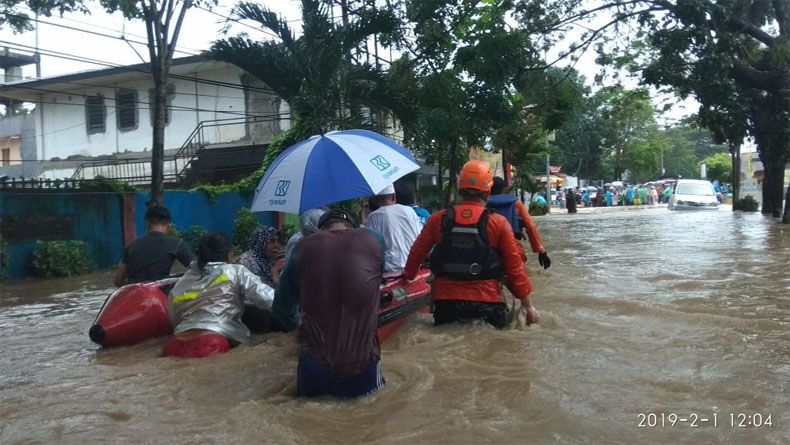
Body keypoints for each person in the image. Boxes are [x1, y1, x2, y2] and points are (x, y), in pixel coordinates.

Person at [403, 160, 537, 329]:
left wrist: (407, 275)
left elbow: (416, 254)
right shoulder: (499, 223)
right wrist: (527, 305)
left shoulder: (438, 219)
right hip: (488, 303)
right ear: (488, 192)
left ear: (460, 189)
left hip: (446, 304)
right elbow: (515, 268)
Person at [272, 209, 386, 398]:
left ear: (320, 230)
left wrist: (296, 324)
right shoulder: (374, 239)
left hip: (314, 365)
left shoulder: (303, 247)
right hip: (363, 362)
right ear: (354, 227)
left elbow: (280, 309)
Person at [164, 232, 275, 359]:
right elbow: (269, 299)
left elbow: (174, 318)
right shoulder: (236, 271)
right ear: (229, 254)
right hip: (211, 342)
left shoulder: (183, 281)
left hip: (174, 345)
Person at [114, 205, 193, 287]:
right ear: (169, 225)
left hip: (133, 293)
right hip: (158, 294)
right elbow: (200, 270)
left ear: (147, 223)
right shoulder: (177, 243)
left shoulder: (131, 245)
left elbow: (118, 280)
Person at [487, 176, 551, 269]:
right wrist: (541, 251)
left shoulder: (482, 203)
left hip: (488, 250)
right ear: (504, 189)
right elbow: (530, 226)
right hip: (512, 248)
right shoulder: (516, 203)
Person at [364, 184, 422, 274]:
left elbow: (371, 249)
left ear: (375, 200)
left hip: (390, 271)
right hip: (414, 267)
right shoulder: (410, 211)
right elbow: (420, 237)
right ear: (394, 197)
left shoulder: (373, 216)